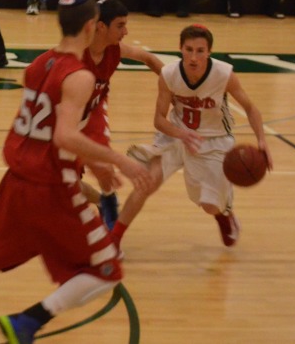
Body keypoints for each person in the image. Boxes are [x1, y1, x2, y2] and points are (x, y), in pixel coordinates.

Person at [0, 0, 153, 344]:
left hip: (17, 181)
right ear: (92, 26)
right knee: (107, 270)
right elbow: (63, 135)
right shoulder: (80, 76)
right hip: (51, 187)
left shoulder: (37, 65)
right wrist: (118, 161)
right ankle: (28, 322)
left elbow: (46, 130)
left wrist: (92, 159)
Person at [110, 24, 273, 254]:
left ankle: (223, 215)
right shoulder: (169, 75)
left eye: (200, 50)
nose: (194, 57)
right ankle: (114, 240)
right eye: (189, 49)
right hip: (175, 134)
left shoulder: (224, 74)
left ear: (209, 52)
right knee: (147, 183)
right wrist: (181, 134)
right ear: (180, 49)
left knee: (208, 206)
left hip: (214, 140)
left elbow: (251, 108)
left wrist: (262, 141)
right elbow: (159, 120)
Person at [80, 0, 164, 230]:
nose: (126, 31)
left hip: (93, 112)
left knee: (104, 167)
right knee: (67, 186)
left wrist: (175, 87)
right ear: (100, 27)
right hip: (66, 119)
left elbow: (148, 58)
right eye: (120, 25)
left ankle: (109, 209)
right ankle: (104, 201)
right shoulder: (76, 53)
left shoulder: (114, 50)